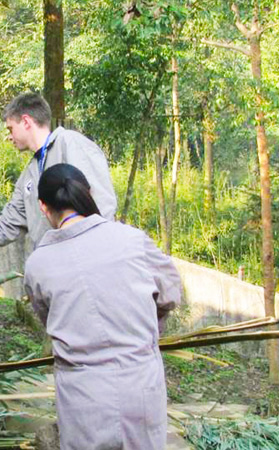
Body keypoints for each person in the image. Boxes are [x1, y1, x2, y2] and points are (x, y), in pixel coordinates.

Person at [23, 164, 183, 450]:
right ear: (89, 193)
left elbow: (49, 318)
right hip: (140, 386)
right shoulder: (132, 239)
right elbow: (169, 293)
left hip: (83, 396)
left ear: (43, 207)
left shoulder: (38, 264)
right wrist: (148, 323)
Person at [0, 92, 117, 250]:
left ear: (26, 121)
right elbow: (6, 226)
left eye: (11, 129)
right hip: (51, 266)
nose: (9, 137)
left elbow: (102, 205)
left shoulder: (70, 143)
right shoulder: (28, 175)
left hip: (87, 258)